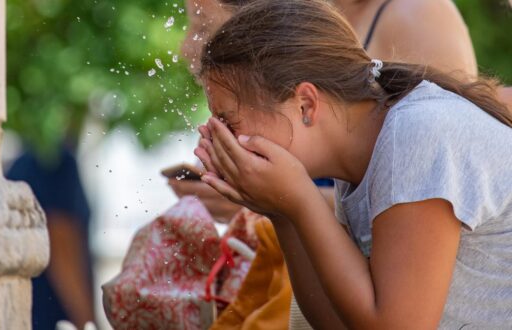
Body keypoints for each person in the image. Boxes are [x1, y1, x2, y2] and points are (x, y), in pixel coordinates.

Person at [194, 0, 512, 328]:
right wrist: (283, 213)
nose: (218, 137)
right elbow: (340, 323)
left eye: (227, 121)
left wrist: (302, 202)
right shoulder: (359, 158)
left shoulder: (415, 133)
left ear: (305, 104)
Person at [173, 0, 482, 220]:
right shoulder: (300, 22)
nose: (187, 49)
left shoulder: (417, 14)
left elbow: (444, 177)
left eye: (201, 27)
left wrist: (280, 201)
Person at [7, 145, 95, 330]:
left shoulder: (22, 164)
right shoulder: (55, 161)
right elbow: (60, 247)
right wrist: (87, 322)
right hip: (52, 317)